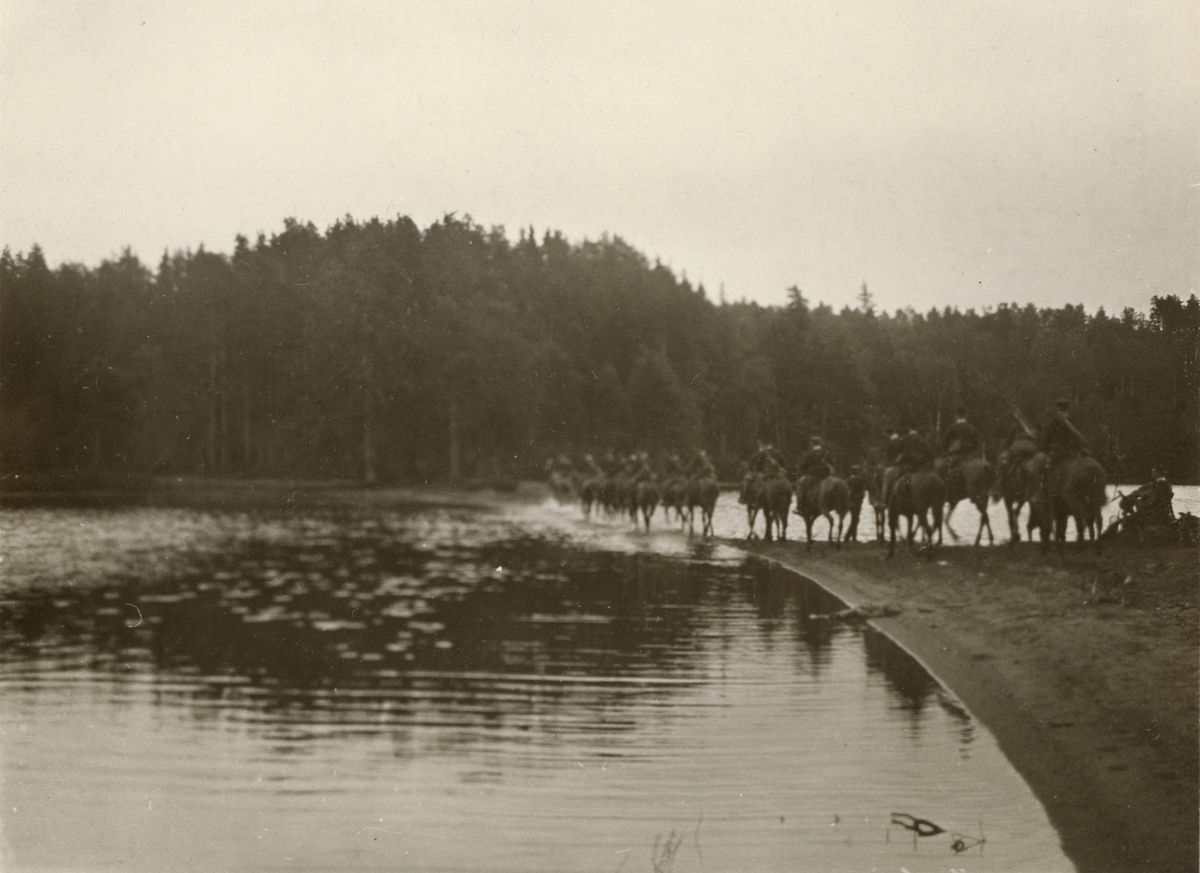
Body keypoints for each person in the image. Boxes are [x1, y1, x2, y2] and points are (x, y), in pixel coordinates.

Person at [1039, 398, 1085, 466]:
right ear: (1067, 409)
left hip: (1060, 453)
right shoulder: (1073, 422)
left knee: (1046, 467)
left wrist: (1045, 450)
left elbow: (1047, 439)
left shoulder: (1055, 423)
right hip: (1074, 453)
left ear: (1058, 410)